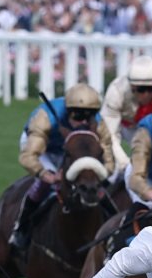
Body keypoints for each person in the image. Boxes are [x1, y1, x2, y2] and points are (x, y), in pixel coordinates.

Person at [10, 84, 117, 258]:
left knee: (92, 183)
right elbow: (29, 156)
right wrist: (47, 175)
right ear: (67, 111)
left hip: (76, 148)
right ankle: (21, 229)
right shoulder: (45, 117)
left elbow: (109, 158)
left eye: (89, 116)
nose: (83, 121)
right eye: (78, 115)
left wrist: (100, 175)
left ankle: (115, 226)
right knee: (44, 184)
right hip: (42, 147)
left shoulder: (98, 123)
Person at [102, 54, 152, 152]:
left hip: (144, 125)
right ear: (132, 86)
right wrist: (122, 162)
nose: (147, 95)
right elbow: (111, 134)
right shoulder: (116, 91)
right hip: (121, 123)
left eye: (151, 89)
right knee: (107, 146)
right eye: (141, 90)